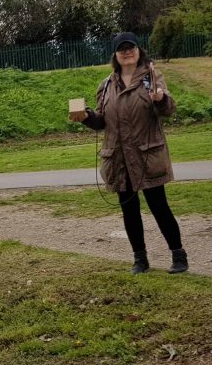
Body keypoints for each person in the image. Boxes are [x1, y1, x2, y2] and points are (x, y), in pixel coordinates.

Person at [69, 32, 188, 274]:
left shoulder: (152, 76)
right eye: (121, 49)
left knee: (159, 207)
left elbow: (169, 109)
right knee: (129, 210)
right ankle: (140, 260)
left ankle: (178, 255)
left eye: (130, 47)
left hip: (147, 155)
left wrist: (160, 98)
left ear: (138, 50)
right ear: (115, 54)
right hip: (119, 158)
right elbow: (102, 122)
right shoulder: (106, 85)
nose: (126, 52)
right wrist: (86, 117)